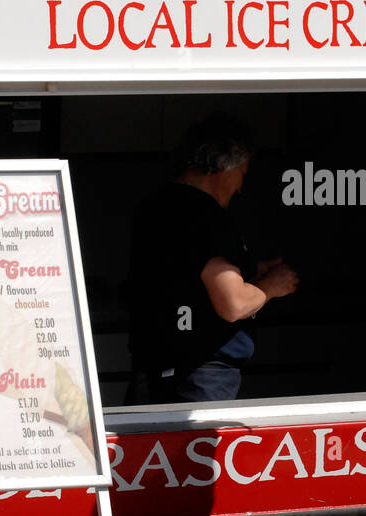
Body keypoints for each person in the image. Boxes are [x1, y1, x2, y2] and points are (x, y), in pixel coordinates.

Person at [126, 114, 299, 405]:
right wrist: (271, 285)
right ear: (224, 166)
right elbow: (233, 304)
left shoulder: (155, 206)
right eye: (242, 171)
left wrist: (247, 271)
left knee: (151, 450)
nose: (241, 185)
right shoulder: (207, 217)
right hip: (199, 378)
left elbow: (183, 273)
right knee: (195, 452)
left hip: (151, 372)